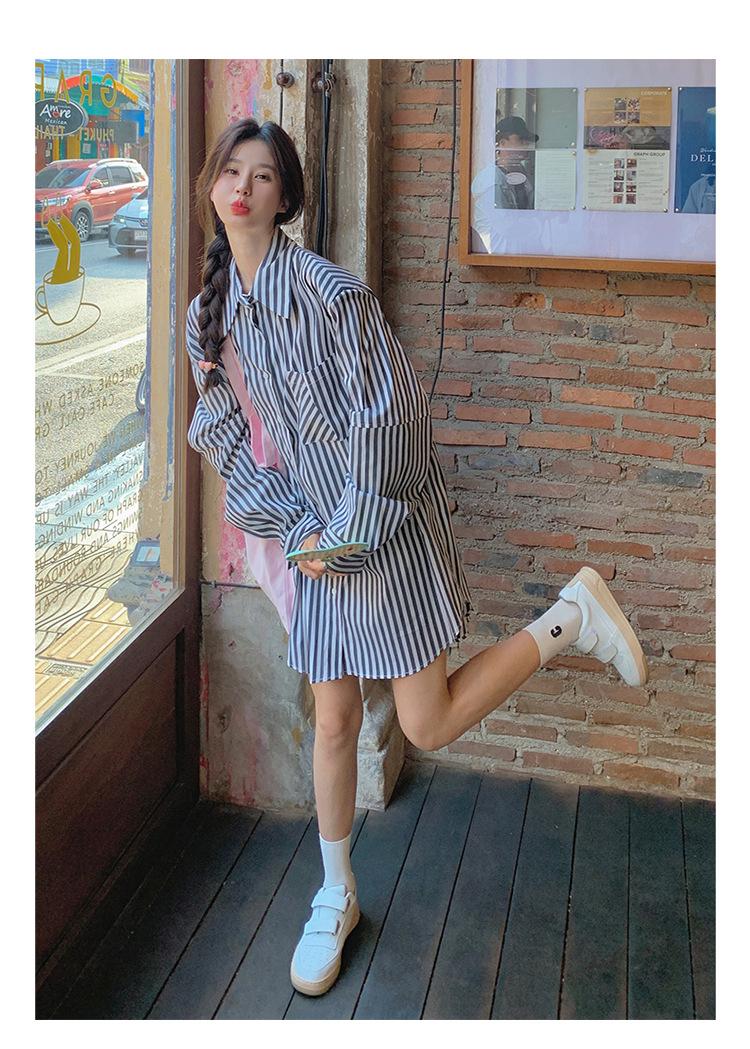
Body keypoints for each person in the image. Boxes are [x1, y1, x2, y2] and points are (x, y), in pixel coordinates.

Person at [185, 118, 649, 998]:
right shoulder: (209, 319)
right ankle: (335, 892)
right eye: (230, 171)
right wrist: (296, 529)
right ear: (212, 186)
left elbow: (393, 418)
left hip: (381, 529)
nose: (242, 187)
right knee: (332, 720)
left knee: (426, 724)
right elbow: (225, 440)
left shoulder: (329, 293)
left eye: (263, 174)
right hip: (315, 540)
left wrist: (347, 531)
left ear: (286, 196)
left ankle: (570, 618)